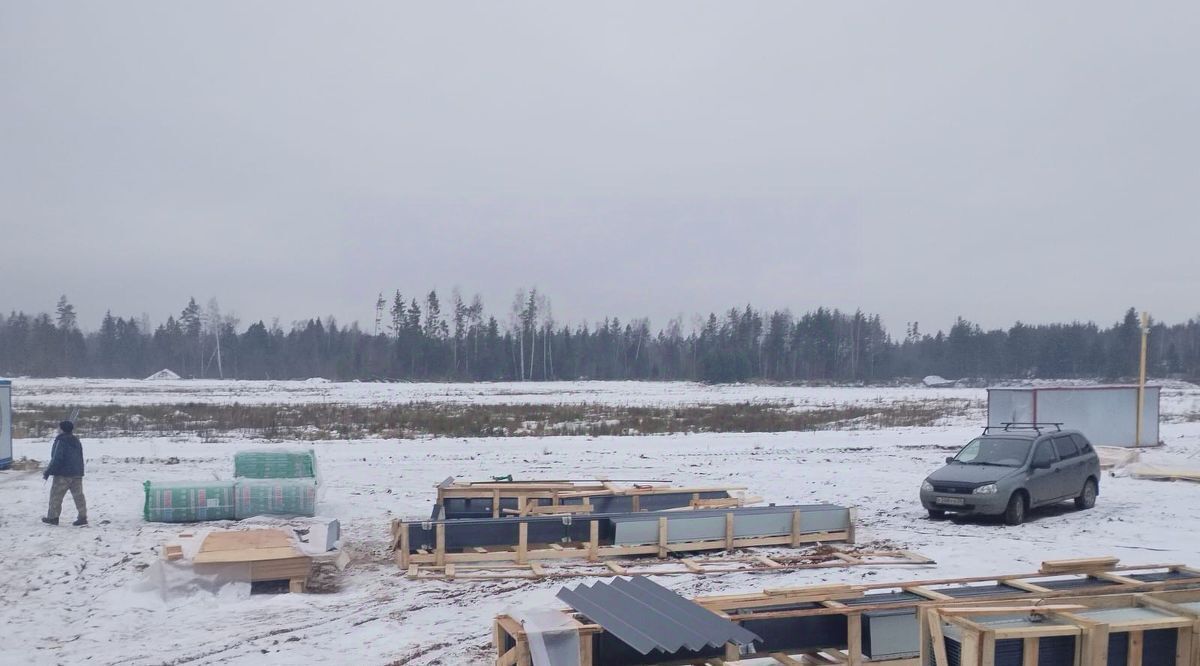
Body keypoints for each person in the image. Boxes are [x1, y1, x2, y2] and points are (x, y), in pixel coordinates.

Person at [42, 420, 87, 526]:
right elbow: (80, 456)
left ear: (62, 429)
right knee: (79, 496)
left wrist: (48, 471)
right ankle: (82, 517)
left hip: (63, 474)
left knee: (56, 496)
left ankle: (53, 517)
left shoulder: (60, 441)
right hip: (77, 473)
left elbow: (56, 458)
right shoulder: (76, 440)